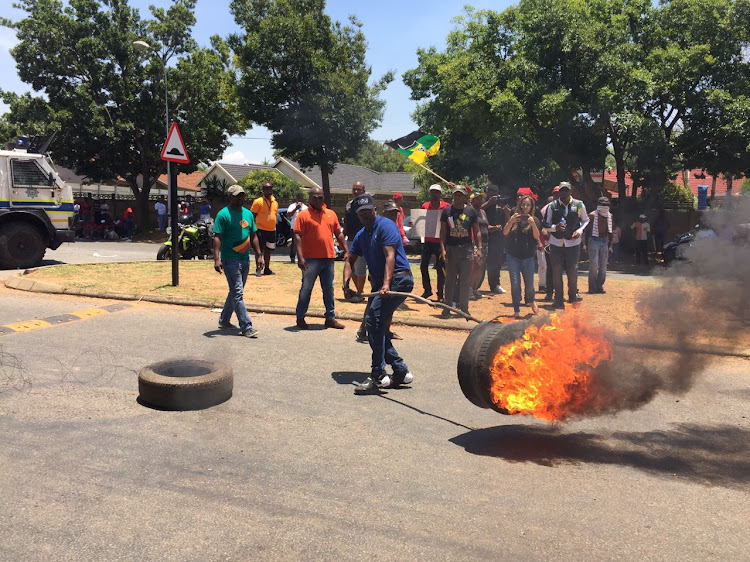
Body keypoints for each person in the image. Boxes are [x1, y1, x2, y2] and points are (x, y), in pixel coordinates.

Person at [344, 194, 414, 392]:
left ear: (374, 210)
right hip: (382, 284)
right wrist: (345, 284)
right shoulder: (361, 235)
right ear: (357, 216)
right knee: (377, 326)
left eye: (368, 211)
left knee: (373, 322)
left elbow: (390, 256)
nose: (366, 215)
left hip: (399, 279)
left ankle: (378, 374)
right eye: (362, 213)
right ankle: (400, 371)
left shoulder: (386, 226)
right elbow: (350, 259)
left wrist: (385, 284)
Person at [212, 184, 263, 338]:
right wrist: (216, 259)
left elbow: (253, 235)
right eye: (237, 195)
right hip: (230, 259)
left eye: (242, 195)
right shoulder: (223, 215)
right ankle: (246, 326)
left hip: (245, 259)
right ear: (230, 197)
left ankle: (224, 320)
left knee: (235, 292)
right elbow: (217, 237)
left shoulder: (248, 214)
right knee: (238, 293)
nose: (241, 198)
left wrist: (259, 254)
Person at [294, 187, 347, 330]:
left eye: (320, 197)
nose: (318, 200)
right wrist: (300, 257)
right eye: (314, 197)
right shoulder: (303, 215)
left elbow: (338, 233)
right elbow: (297, 236)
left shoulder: (331, 214)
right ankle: (300, 317)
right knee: (306, 289)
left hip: (328, 258)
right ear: (309, 199)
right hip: (310, 259)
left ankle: (330, 318)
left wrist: (346, 250)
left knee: (328, 289)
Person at [542, 181, 589, 309]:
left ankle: (573, 297)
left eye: (566, 190)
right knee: (556, 271)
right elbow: (545, 224)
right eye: (561, 191)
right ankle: (558, 299)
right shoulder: (552, 206)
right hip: (556, 243)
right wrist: (554, 228)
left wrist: (580, 231)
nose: (563, 193)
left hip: (573, 243)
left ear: (570, 191)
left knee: (572, 269)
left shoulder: (579, 205)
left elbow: (586, 220)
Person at [440, 184, 482, 317]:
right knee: (450, 280)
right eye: (455, 194)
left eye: (460, 195)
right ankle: (447, 307)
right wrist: (443, 249)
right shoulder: (446, 211)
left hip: (466, 250)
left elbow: (477, 231)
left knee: (465, 281)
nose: (457, 197)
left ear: (465, 197)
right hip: (451, 249)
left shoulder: (471, 211)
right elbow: (442, 233)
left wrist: (479, 248)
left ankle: (464, 308)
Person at [504, 194, 541, 318]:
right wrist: (511, 221)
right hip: (513, 256)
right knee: (515, 283)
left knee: (529, 283)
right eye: (523, 204)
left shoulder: (534, 220)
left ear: (531, 207)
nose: (525, 207)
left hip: (528, 256)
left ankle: (532, 301)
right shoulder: (514, 217)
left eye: (528, 205)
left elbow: (537, 237)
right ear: (519, 205)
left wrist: (533, 224)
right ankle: (516, 309)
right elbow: (505, 232)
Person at [420, 184, 450, 300]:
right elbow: (421, 222)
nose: (434, 194)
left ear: (440, 194)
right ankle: (427, 290)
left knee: (440, 268)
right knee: (423, 266)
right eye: (432, 192)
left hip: (440, 242)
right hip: (428, 240)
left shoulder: (446, 207)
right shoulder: (425, 206)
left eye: (436, 192)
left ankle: (440, 293)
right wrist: (416, 224)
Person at [482, 184, 508, 295]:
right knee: (481, 263)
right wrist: (489, 203)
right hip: (484, 236)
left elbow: (507, 218)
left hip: (498, 237)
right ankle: (475, 286)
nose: (492, 195)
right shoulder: (483, 201)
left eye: (494, 193)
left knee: (496, 262)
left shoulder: (500, 202)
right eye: (490, 192)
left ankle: (495, 285)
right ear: (487, 192)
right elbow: (475, 211)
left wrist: (505, 209)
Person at [343, 181, 367, 302]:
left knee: (360, 268)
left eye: (359, 189)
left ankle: (360, 293)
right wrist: (342, 238)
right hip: (350, 240)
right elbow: (346, 223)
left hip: (363, 240)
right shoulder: (349, 205)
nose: (356, 192)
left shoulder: (366, 204)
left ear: (364, 191)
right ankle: (359, 292)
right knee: (351, 267)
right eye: (354, 189)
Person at [250, 182, 279, 276]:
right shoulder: (258, 201)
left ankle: (267, 268)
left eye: (270, 188)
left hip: (271, 230)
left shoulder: (275, 202)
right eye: (266, 189)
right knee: (259, 250)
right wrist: (252, 229)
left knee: (268, 250)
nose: (269, 190)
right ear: (263, 190)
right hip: (260, 229)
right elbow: (252, 216)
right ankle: (258, 269)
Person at [586, 196, 613, 294]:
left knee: (603, 266)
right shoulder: (592, 215)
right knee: (594, 264)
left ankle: (599, 286)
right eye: (603, 204)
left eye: (606, 205)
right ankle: (592, 287)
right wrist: (585, 244)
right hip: (593, 240)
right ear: (598, 205)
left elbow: (610, 232)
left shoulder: (609, 216)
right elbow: (587, 230)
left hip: (604, 241)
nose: (605, 207)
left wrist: (611, 245)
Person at [469, 192, 489, 300]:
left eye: (481, 198)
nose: (480, 200)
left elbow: (486, 225)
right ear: (472, 200)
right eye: (477, 199)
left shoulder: (483, 212)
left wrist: (495, 227)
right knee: (475, 267)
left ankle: (475, 288)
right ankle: (469, 289)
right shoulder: (470, 211)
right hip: (475, 243)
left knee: (481, 267)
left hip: (485, 243)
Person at [286, 192, 307, 263]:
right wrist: (296, 209)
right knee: (295, 243)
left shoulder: (305, 207)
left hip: (303, 228)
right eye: (298, 198)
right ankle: (292, 257)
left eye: (301, 198)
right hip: (294, 227)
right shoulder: (292, 206)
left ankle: (301, 257)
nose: (300, 200)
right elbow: (288, 215)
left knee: (303, 243)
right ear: (296, 199)